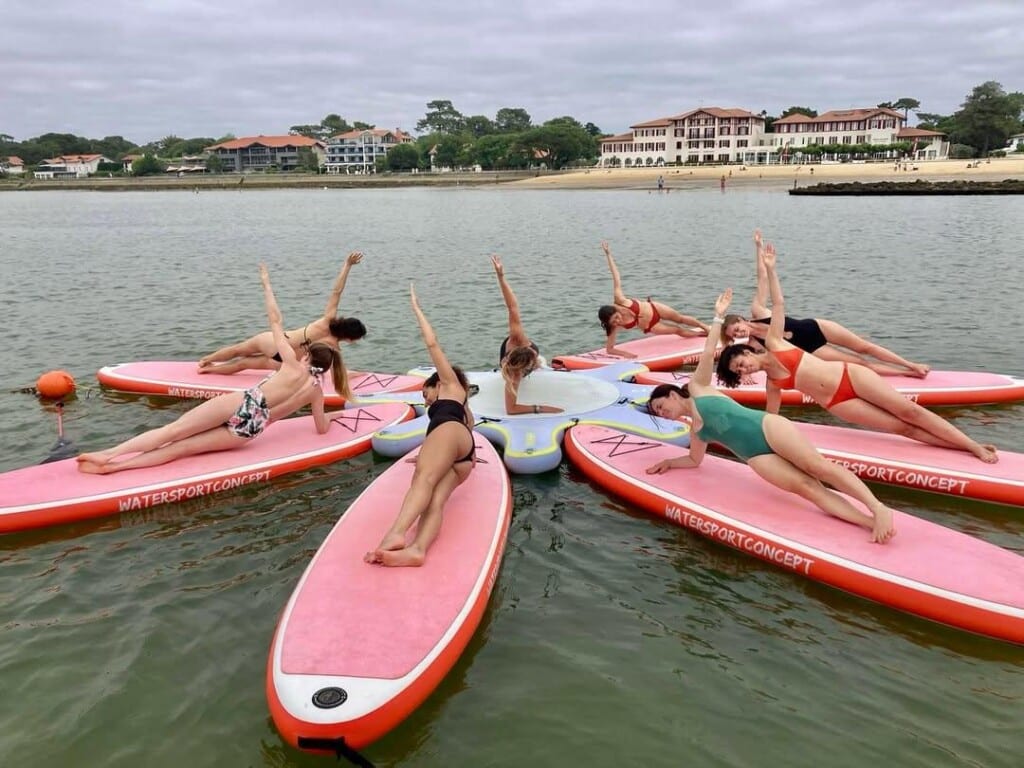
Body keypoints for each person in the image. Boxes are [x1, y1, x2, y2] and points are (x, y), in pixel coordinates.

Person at [645, 288, 896, 544]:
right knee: (808, 488)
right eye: (658, 413)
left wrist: (718, 317)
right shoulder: (696, 433)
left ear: (673, 394)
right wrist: (669, 463)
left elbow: (709, 352)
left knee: (817, 467)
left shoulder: (698, 387)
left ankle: (877, 508)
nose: (662, 413)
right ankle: (870, 523)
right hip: (756, 457)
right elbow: (694, 460)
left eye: (660, 406)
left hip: (767, 427)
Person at [717, 244, 998, 463]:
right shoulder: (772, 385)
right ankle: (962, 447)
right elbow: (773, 420)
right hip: (838, 403)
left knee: (910, 411)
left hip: (851, 376)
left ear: (746, 353)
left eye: (741, 363)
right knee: (903, 428)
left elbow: (778, 303)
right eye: (739, 372)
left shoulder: (775, 342)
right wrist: (746, 437)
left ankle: (972, 445)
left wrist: (771, 269)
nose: (744, 369)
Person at [77, 265, 349, 474]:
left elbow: (275, 321)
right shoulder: (315, 390)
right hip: (251, 427)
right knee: (181, 448)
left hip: (242, 402)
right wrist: (333, 418)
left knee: (173, 431)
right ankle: (116, 468)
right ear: (325, 368)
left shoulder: (290, 363)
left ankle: (109, 454)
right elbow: (321, 427)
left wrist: (266, 284)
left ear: (307, 355)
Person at [364, 284, 476, 567]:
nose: (425, 400)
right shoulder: (463, 402)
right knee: (435, 501)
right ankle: (418, 550)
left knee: (423, 480)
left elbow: (432, 344)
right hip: (465, 455)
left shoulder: (448, 383)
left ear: (436, 383)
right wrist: (432, 453)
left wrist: (416, 308)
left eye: (425, 393)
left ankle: (396, 533)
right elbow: (466, 431)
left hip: (450, 434)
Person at [721, 230, 930, 378]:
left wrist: (758, 247)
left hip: (816, 326)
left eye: (737, 328)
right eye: (735, 335)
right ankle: (909, 374)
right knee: (860, 363)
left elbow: (762, 278)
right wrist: (745, 377)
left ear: (741, 319)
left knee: (864, 347)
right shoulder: (754, 345)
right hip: (813, 349)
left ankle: (911, 364)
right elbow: (756, 363)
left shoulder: (758, 311)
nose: (739, 333)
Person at [197, 251, 367, 374]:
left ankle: (206, 361)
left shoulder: (327, 321)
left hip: (275, 342)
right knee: (243, 364)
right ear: (350, 337)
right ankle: (208, 370)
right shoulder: (335, 348)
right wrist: (361, 374)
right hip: (284, 359)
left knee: (238, 350)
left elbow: (336, 292)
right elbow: (339, 373)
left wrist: (347, 266)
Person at [597, 241, 709, 358]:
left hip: (654, 308)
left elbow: (616, 275)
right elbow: (609, 349)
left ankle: (704, 326)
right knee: (677, 330)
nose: (617, 321)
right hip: (651, 326)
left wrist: (608, 254)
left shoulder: (619, 300)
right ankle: (701, 335)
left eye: (616, 317)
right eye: (613, 322)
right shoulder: (612, 327)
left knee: (680, 318)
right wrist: (625, 354)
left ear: (616, 311)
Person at [491, 255, 562, 415]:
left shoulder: (518, 337)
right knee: (529, 367)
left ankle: (540, 363)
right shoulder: (514, 375)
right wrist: (541, 408)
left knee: (540, 361)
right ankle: (537, 364)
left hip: (520, 353)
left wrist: (501, 276)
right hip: (513, 363)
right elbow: (511, 409)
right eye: (531, 364)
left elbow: (512, 306)